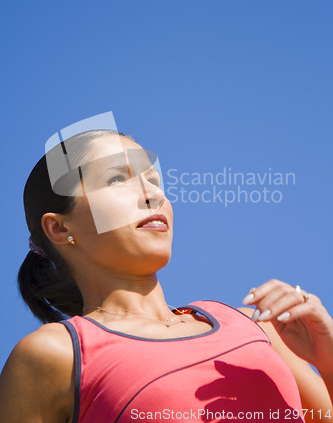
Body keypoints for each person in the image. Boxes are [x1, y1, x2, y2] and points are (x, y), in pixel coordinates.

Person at [0, 129, 332, 423]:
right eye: (117, 178)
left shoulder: (257, 326)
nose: (153, 194)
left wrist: (328, 358)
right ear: (60, 228)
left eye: (154, 180)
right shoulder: (55, 355)